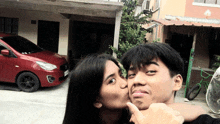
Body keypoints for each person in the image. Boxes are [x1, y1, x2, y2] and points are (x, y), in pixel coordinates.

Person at [63, 53, 185, 124]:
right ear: (96, 100)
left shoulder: (137, 116)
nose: (126, 83)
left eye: (122, 75)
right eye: (111, 81)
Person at [121, 42, 220, 124]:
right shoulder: (119, 118)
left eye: (150, 72)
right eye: (131, 75)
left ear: (176, 82)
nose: (136, 80)